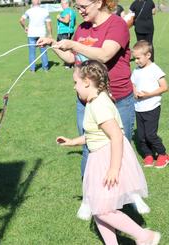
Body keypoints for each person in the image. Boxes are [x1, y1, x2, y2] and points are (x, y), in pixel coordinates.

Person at [56, 60, 160, 245]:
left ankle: (145, 236)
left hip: (107, 158)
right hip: (99, 157)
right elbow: (94, 134)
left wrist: (113, 168)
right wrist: (73, 141)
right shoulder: (95, 101)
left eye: (76, 83)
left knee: (104, 209)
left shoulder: (99, 105)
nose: (75, 88)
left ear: (87, 81)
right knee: (98, 208)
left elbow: (116, 137)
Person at [37, 0, 134, 177]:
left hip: (117, 100)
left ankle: (125, 198)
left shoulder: (117, 24)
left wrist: (74, 44)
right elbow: (71, 58)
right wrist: (52, 43)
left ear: (98, 2)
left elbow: (104, 54)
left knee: (120, 149)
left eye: (83, 6)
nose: (80, 11)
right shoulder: (82, 29)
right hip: (87, 102)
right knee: (90, 148)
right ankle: (90, 199)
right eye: (77, 7)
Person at [131, 40, 169, 168]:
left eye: (138, 58)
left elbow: (164, 87)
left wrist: (148, 95)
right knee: (141, 136)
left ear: (148, 55)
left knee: (150, 134)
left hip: (152, 107)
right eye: (134, 58)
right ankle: (148, 155)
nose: (136, 61)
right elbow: (133, 83)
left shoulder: (154, 69)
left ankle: (163, 154)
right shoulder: (136, 70)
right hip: (139, 108)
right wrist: (134, 91)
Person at [19, 0, 52, 72]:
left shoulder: (29, 11)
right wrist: (50, 34)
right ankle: (45, 69)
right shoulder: (45, 11)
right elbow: (48, 24)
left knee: (32, 53)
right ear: (39, 2)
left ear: (32, 3)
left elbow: (21, 20)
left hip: (31, 34)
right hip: (42, 34)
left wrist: (25, 27)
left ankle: (32, 69)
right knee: (43, 52)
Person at [56, 0, 76, 68]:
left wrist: (59, 18)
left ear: (67, 3)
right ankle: (71, 63)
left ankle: (68, 63)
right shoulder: (72, 11)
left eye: (63, 4)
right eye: (61, 4)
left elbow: (66, 21)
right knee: (67, 47)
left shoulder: (67, 11)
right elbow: (74, 22)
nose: (61, 5)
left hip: (64, 32)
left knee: (64, 48)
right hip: (69, 31)